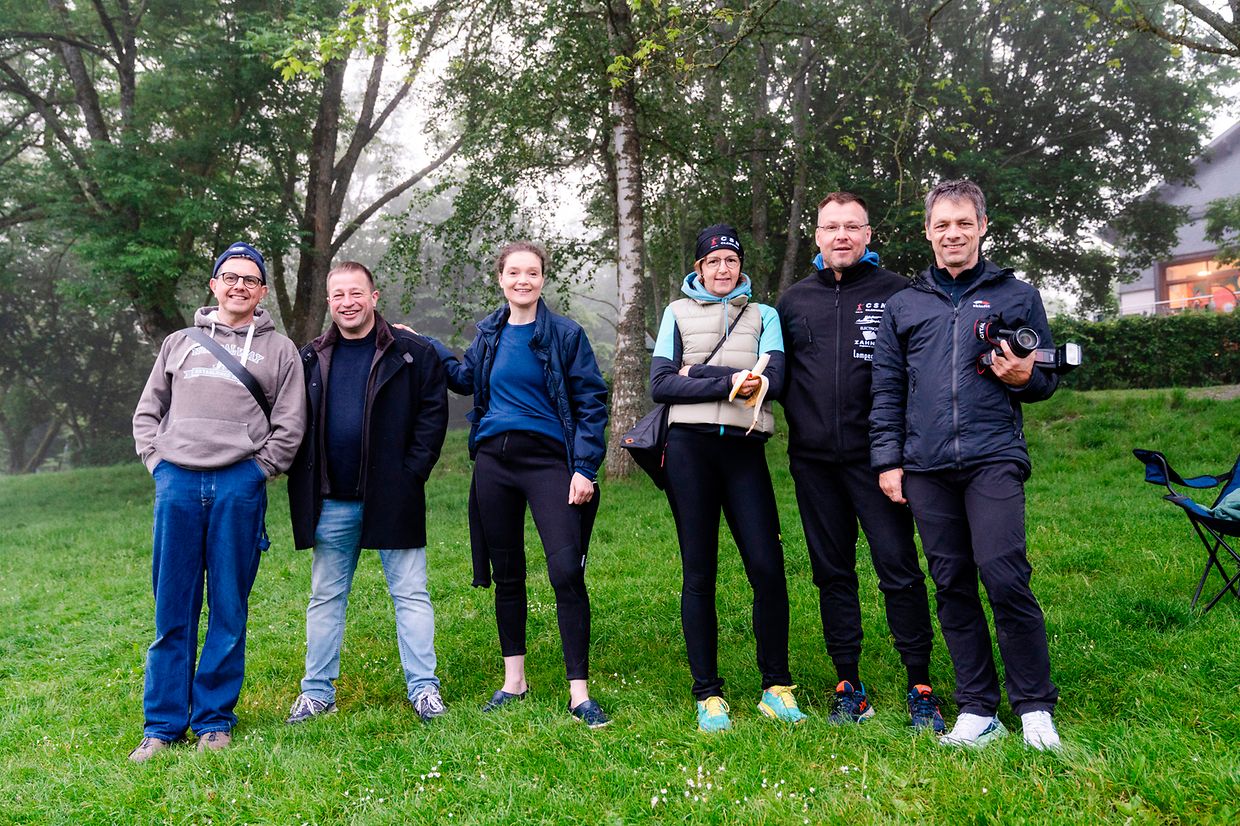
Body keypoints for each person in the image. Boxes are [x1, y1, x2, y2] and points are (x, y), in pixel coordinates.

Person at [870, 179, 1062, 750]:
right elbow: (885, 389)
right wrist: (889, 461)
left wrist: (1027, 378)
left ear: (982, 226)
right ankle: (978, 708)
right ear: (927, 231)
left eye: (963, 222)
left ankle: (1033, 707)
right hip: (925, 465)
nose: (952, 233)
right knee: (951, 582)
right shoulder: (904, 305)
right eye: (941, 224)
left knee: (1004, 573)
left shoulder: (1017, 295)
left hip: (993, 458)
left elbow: (1046, 376)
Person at [130, 241, 306, 762]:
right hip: (178, 484)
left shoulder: (280, 351)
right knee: (172, 608)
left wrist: (258, 471)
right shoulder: (179, 342)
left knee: (229, 606)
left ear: (261, 292)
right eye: (229, 277)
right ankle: (162, 726)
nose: (238, 286)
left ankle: (213, 721)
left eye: (249, 280)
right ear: (214, 284)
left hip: (238, 485)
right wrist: (157, 464)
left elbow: (291, 424)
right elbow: (148, 411)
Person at [777, 192, 943, 733]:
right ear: (817, 237)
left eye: (853, 226)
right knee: (832, 573)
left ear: (868, 235)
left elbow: (918, 379)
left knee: (898, 569)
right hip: (813, 462)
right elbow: (773, 374)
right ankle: (849, 683)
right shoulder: (793, 302)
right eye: (831, 227)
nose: (841, 235)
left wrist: (896, 453)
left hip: (881, 463)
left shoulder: (899, 293)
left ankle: (921, 684)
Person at [429, 241, 612, 728]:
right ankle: (515, 682)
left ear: (543, 280)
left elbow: (592, 401)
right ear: (501, 279)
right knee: (506, 574)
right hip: (493, 463)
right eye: (514, 272)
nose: (523, 280)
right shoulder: (488, 333)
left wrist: (585, 468)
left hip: (549, 463)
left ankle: (579, 694)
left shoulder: (565, 335)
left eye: (532, 272)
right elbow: (465, 379)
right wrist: (424, 345)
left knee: (566, 572)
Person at [650, 223, 804, 733]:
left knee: (767, 565)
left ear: (741, 268)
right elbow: (660, 384)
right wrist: (726, 382)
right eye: (713, 262)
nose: (723, 270)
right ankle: (708, 695)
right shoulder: (676, 313)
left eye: (731, 262)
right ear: (699, 268)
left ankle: (776, 687)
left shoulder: (765, 315)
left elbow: (776, 380)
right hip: (689, 450)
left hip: (744, 450)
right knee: (699, 571)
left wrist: (707, 377)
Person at [284, 262, 449, 725]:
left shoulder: (412, 353)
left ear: (374, 297)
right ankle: (317, 693)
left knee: (411, 594)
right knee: (325, 597)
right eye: (338, 295)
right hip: (330, 500)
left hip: (393, 495)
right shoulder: (309, 357)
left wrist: (411, 472)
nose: (347, 302)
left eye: (356, 293)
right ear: (329, 302)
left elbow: (432, 417)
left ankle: (424, 690)